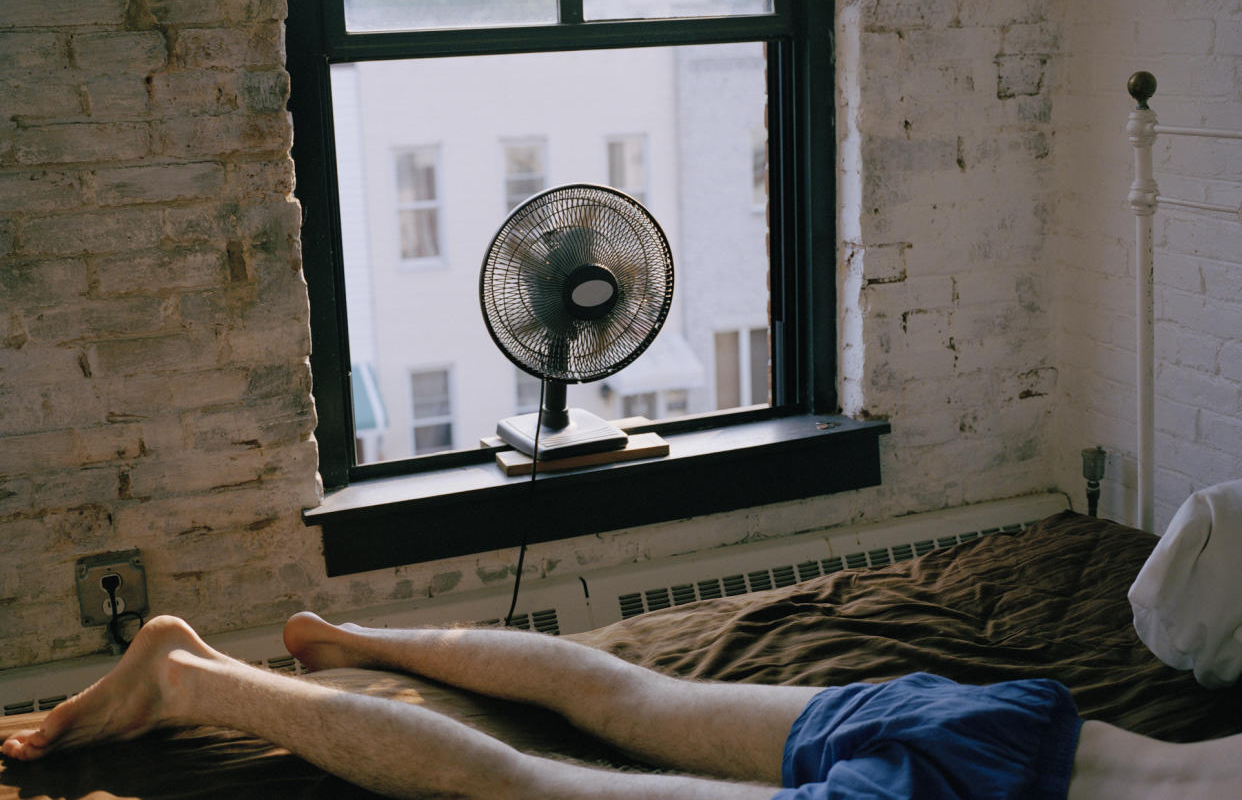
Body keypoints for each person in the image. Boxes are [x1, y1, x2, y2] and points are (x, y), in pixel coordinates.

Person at [2, 612, 1238, 799]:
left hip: (1016, 723)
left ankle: (344, 639)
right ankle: (191, 680)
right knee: (529, 787)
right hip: (983, 779)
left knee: (623, 689)